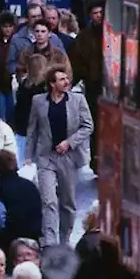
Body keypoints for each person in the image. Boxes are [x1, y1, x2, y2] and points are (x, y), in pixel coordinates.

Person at [23, 67, 93, 246]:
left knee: (67, 203)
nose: (66, 82)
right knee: (49, 201)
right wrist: (28, 155)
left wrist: (69, 142)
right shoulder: (38, 101)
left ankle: (64, 240)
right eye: (61, 79)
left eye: (66, 78)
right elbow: (33, 129)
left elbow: (88, 126)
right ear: (52, 84)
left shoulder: (78, 100)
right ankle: (49, 241)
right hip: (46, 156)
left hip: (69, 157)